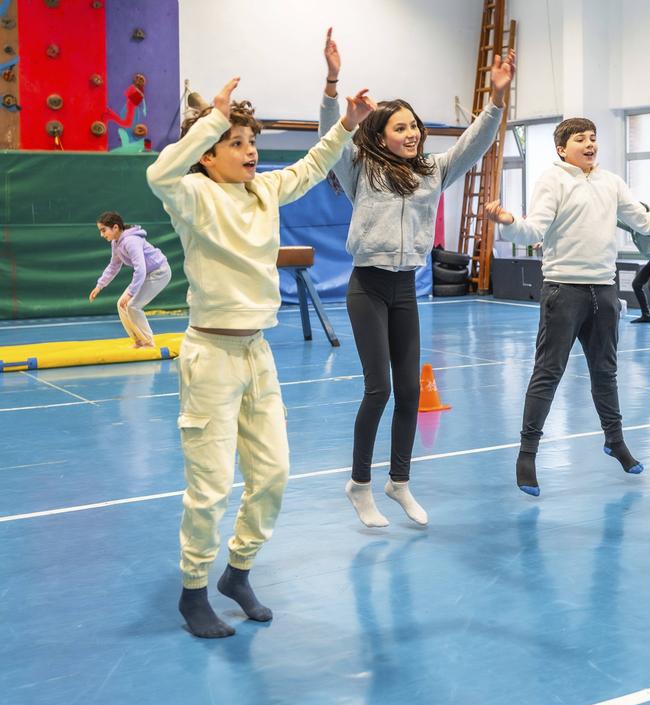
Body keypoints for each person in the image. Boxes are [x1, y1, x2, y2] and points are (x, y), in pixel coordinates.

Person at [147, 76, 373, 638]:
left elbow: (311, 167)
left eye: (252, 142)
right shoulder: (192, 194)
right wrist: (212, 120)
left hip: (257, 353)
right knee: (211, 483)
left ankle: (238, 572)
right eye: (237, 142)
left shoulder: (264, 190)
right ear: (208, 154)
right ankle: (193, 590)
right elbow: (158, 172)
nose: (251, 152)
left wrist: (346, 123)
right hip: (210, 356)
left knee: (273, 473)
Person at [320, 29, 514, 528]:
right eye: (400, 127)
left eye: (415, 127)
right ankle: (359, 484)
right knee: (378, 390)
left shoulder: (432, 170)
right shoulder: (361, 167)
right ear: (381, 133)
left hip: (405, 288)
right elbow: (329, 140)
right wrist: (333, 84)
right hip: (368, 286)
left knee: (409, 391)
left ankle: (398, 482)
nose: (411, 134)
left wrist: (495, 99)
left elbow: (475, 145)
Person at [484, 118, 650, 496]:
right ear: (562, 148)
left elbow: (647, 221)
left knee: (605, 373)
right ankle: (527, 454)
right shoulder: (552, 180)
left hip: (604, 293)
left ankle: (615, 440)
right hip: (563, 292)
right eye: (580, 139)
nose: (590, 144)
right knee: (548, 373)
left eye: (593, 138)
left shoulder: (610, 182)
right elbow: (534, 230)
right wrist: (509, 222)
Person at [89, 211, 172, 348]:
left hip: (159, 272)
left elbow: (140, 269)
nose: (102, 235)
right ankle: (138, 340)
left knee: (132, 305)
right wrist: (99, 286)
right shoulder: (116, 243)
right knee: (121, 304)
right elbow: (114, 266)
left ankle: (148, 342)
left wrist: (131, 293)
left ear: (115, 227)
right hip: (146, 273)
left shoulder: (131, 241)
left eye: (104, 230)